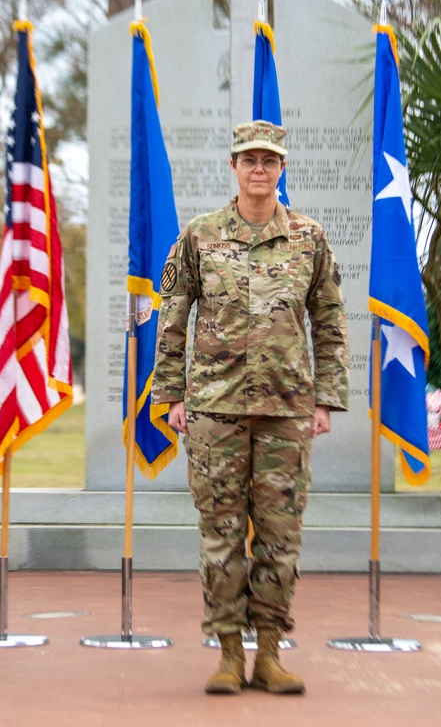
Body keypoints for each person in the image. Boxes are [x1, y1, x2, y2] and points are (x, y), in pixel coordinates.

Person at [152, 119, 349, 695]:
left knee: (280, 536)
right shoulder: (199, 235)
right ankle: (227, 654)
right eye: (248, 159)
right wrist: (170, 396)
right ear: (234, 167)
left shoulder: (310, 238)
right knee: (221, 533)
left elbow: (331, 322)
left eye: (269, 160)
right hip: (215, 410)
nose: (258, 168)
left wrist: (325, 400)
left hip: (288, 410)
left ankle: (270, 654)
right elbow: (174, 314)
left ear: (282, 168)